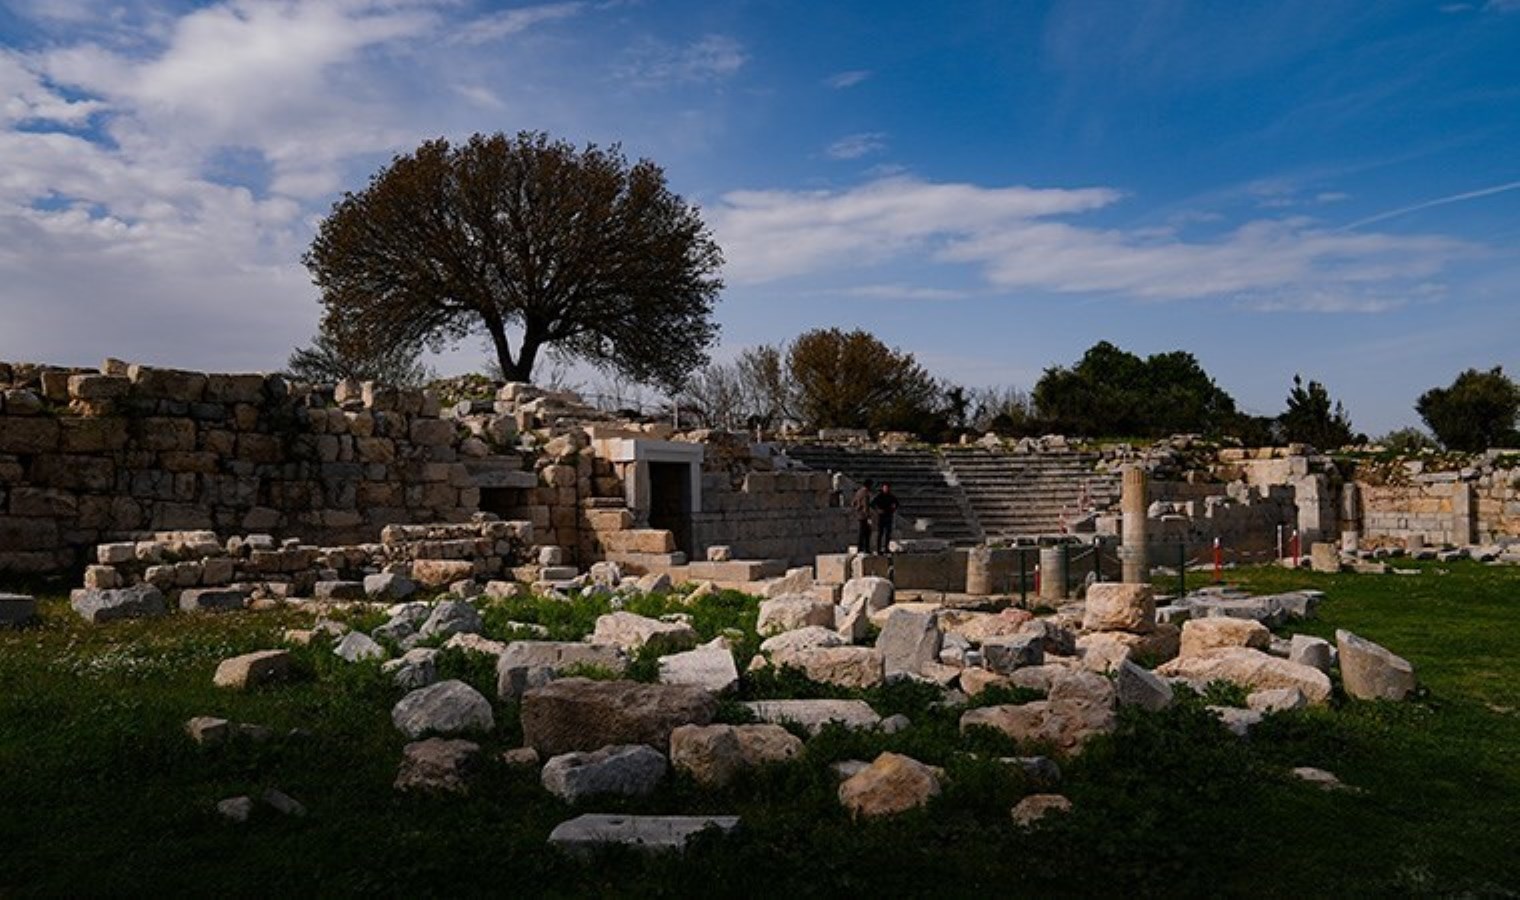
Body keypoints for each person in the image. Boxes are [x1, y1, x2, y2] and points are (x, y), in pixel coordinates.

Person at [870, 482, 899, 554]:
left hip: (889, 516)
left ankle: (886, 548)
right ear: (882, 488)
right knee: (880, 533)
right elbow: (872, 504)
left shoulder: (891, 496)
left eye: (887, 488)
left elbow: (897, 503)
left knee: (888, 533)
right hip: (881, 517)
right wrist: (878, 510)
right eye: (885, 487)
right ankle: (878, 549)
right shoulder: (879, 496)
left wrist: (893, 509)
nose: (886, 489)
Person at [850, 478, 874, 553]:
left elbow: (853, 503)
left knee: (861, 532)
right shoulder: (865, 493)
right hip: (864, 515)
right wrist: (868, 517)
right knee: (867, 533)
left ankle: (860, 548)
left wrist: (857, 508)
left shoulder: (858, 492)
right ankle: (866, 548)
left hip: (859, 514)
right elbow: (866, 506)